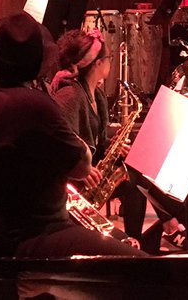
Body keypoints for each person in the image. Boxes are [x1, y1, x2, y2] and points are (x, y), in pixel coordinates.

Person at [0, 13, 144, 265]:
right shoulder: (36, 105)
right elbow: (82, 166)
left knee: (118, 242)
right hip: (25, 236)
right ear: (39, 62)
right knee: (138, 264)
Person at [50, 30, 152, 249]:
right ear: (96, 63)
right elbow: (56, 142)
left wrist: (112, 146)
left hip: (92, 173)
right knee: (137, 180)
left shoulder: (97, 95)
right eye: (108, 58)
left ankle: (136, 242)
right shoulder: (71, 95)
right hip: (75, 185)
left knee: (134, 181)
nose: (109, 63)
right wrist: (80, 168)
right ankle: (167, 223)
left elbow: (98, 139)